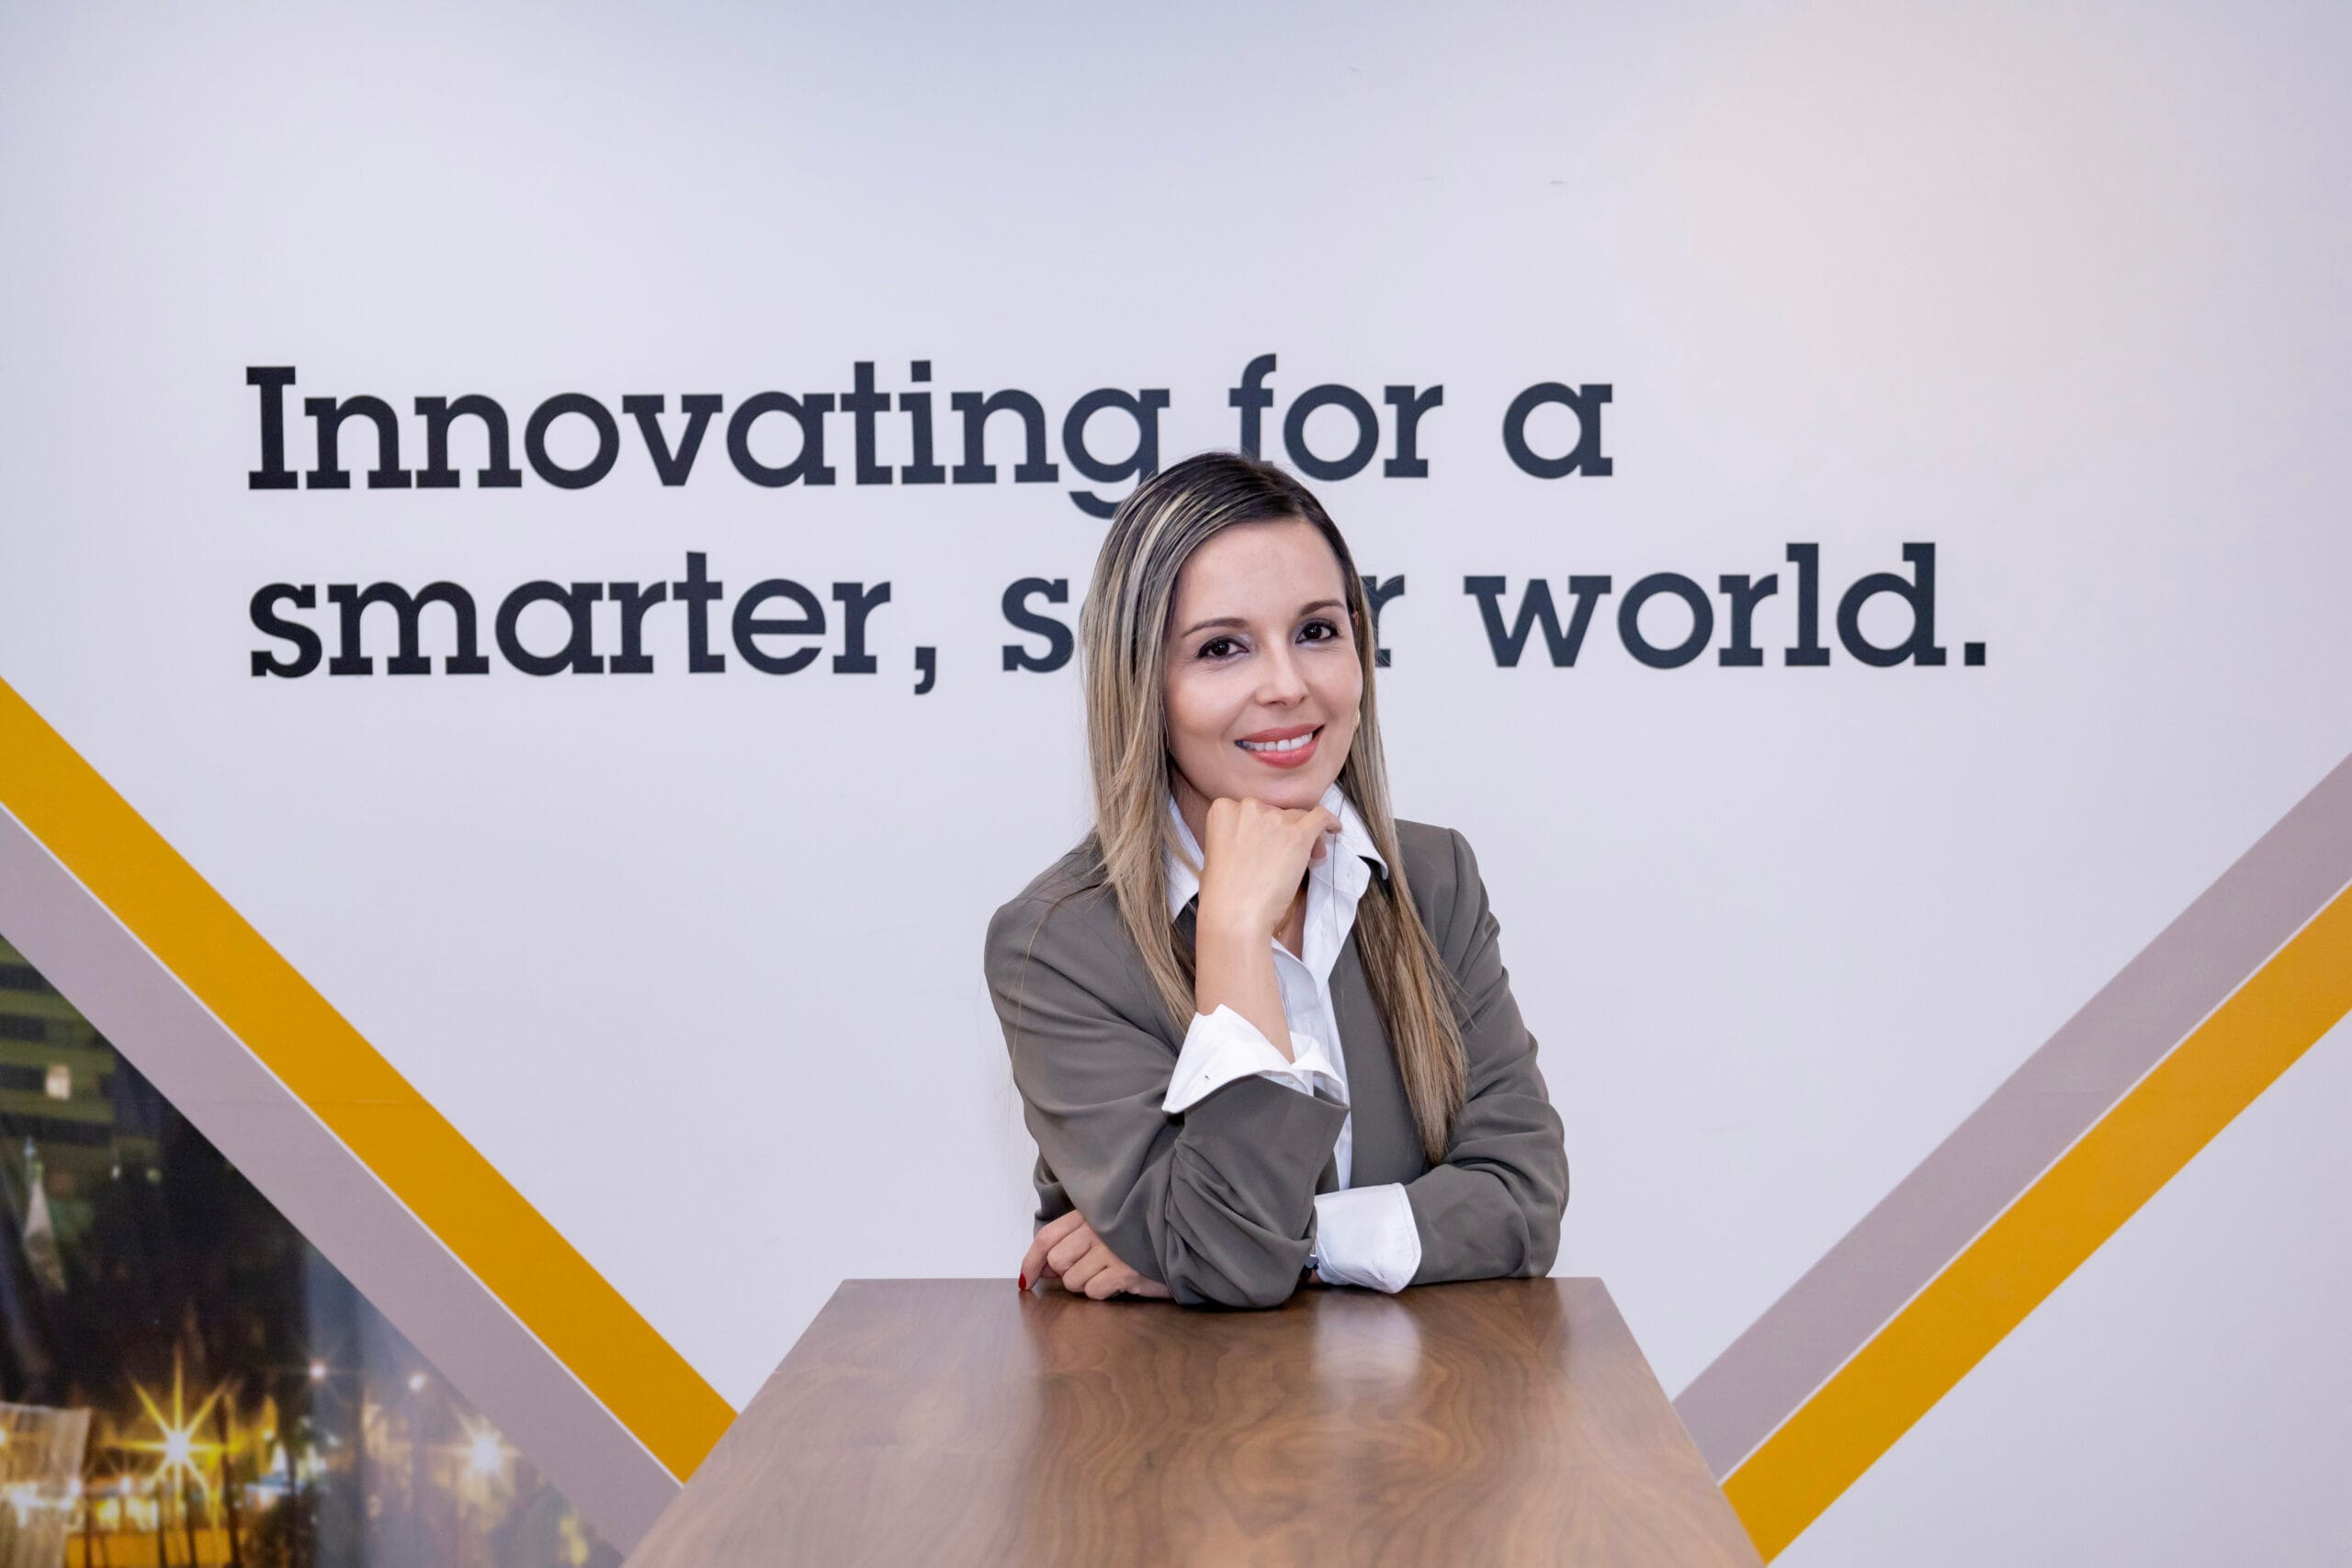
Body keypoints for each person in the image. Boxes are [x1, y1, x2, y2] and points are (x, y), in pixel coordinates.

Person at [983, 450, 1567, 1309]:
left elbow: (1522, 1199)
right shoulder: (1058, 944)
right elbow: (1229, 1265)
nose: (1287, 685)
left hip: (1420, 1391)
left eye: (1317, 632)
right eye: (1222, 648)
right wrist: (1232, 934)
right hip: (1165, 1395)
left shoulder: (1433, 879)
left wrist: (1300, 1240)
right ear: (1144, 684)